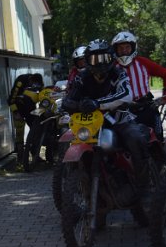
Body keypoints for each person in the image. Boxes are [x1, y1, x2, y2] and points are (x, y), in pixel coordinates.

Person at [63, 39, 152, 199]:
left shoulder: (118, 73)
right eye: (94, 59)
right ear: (87, 60)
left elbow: (126, 94)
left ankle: (144, 187)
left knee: (135, 138)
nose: (100, 63)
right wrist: (75, 105)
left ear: (111, 58)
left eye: (104, 58)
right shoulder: (82, 77)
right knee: (70, 138)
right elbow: (70, 98)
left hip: (118, 119)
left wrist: (97, 103)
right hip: (91, 123)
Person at [111, 31, 166, 140]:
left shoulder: (143, 62)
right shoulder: (112, 68)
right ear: (115, 50)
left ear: (133, 48)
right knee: (123, 141)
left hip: (147, 107)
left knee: (157, 139)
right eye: (120, 48)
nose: (124, 50)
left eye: (127, 47)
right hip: (123, 111)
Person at [8, 72, 44, 162]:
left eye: (36, 85)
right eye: (33, 83)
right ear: (31, 79)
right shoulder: (21, 80)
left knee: (35, 130)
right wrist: (16, 112)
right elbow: (11, 99)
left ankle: (35, 155)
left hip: (31, 109)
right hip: (18, 108)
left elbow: (43, 96)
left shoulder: (40, 83)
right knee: (19, 132)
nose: (34, 86)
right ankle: (20, 157)